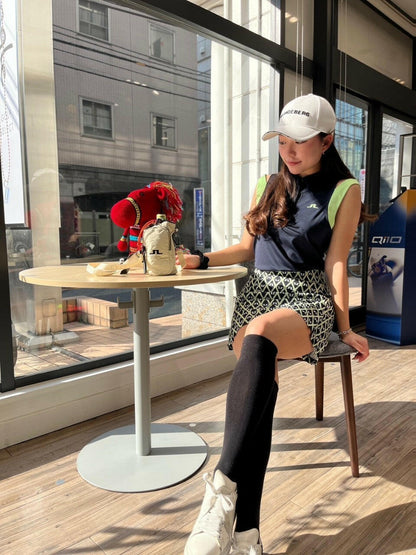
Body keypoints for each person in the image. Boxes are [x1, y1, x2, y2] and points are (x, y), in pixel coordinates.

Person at [182, 93, 371, 555]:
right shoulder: (268, 184)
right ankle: (248, 534)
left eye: (300, 141)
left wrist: (345, 327)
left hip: (306, 298)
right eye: (283, 141)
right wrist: (200, 259)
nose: (289, 150)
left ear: (327, 141)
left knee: (262, 333)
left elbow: (337, 262)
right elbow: (246, 249)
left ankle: (220, 490)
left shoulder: (344, 190)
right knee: (259, 406)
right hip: (259, 295)